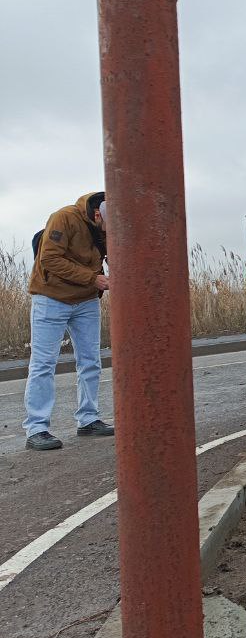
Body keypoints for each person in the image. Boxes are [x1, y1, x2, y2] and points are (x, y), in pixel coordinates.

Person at [23, 192, 114, 450]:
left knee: (90, 361)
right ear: (98, 214)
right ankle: (37, 428)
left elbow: (112, 253)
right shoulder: (63, 218)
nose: (109, 232)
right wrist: (93, 278)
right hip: (51, 298)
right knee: (43, 364)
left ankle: (88, 419)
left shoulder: (109, 221)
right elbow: (49, 259)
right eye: (107, 227)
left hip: (86, 302)